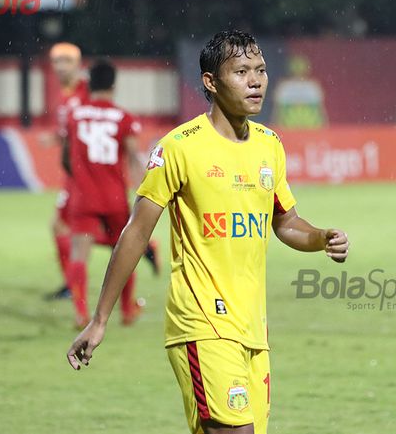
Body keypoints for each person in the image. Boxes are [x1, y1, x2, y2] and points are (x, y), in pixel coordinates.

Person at [66, 30, 349, 434]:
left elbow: (286, 222)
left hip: (253, 329)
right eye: (241, 72)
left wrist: (321, 237)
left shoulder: (269, 145)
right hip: (202, 324)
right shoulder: (179, 147)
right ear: (210, 82)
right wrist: (100, 319)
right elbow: (136, 231)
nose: (255, 81)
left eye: (261, 70)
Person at [44, 43, 160, 301]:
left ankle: (74, 288)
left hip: (89, 178)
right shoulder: (68, 96)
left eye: (66, 62)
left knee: (75, 232)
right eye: (56, 62)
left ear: (78, 65)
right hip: (80, 176)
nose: (60, 68)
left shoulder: (87, 93)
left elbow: (97, 126)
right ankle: (144, 252)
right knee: (72, 230)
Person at [63, 59, 146, 329]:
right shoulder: (123, 117)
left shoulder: (75, 116)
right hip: (114, 196)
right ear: (113, 84)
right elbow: (134, 157)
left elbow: (65, 158)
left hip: (83, 196)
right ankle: (126, 310)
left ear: (90, 83)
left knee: (79, 254)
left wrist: (81, 179)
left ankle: (80, 312)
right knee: (123, 252)